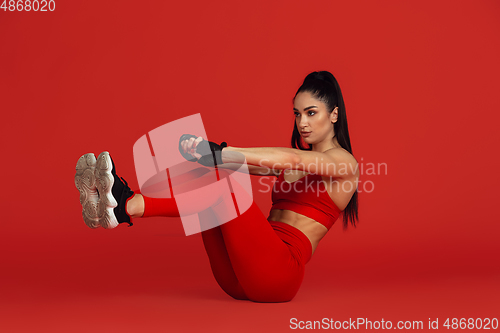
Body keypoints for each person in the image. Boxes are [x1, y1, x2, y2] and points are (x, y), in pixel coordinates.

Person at [74, 71, 359, 303]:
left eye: (311, 113)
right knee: (217, 170)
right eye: (297, 114)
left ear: (334, 115)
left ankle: (128, 204)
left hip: (278, 276)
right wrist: (209, 156)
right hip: (237, 277)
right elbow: (252, 164)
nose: (302, 123)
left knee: (225, 181)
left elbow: (293, 156)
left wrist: (221, 151)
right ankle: (110, 204)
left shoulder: (344, 163)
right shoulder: (295, 164)